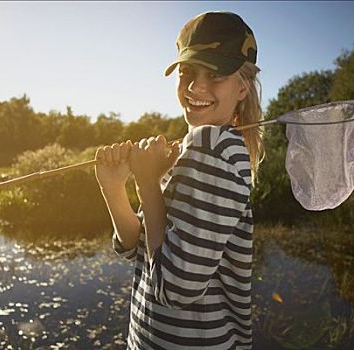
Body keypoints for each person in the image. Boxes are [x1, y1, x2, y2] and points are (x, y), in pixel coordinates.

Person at [95, 11, 264, 350]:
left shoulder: (216, 150)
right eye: (187, 71)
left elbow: (175, 287)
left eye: (215, 74)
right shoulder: (194, 148)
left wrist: (146, 184)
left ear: (243, 86)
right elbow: (140, 245)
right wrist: (114, 189)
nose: (195, 86)